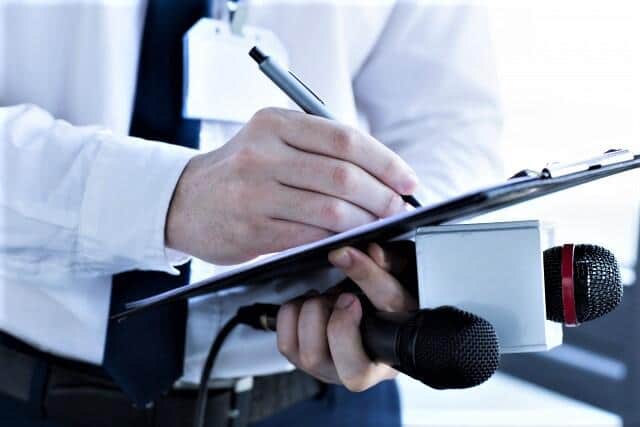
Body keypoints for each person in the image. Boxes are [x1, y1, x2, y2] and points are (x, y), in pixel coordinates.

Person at [0, 1, 502, 426]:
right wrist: (171, 198)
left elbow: (450, 127)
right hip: (22, 393)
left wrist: (393, 274)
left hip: (324, 401)